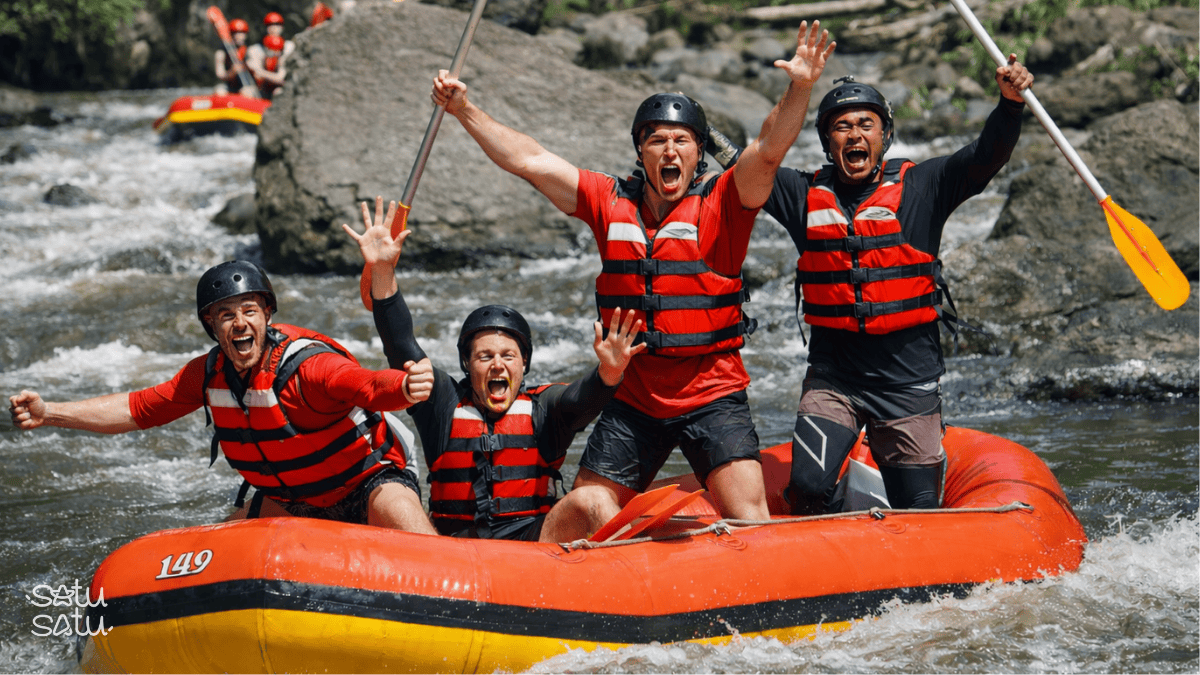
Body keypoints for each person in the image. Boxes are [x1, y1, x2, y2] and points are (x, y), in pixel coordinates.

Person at [431, 21, 836, 524]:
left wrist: (801, 85)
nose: (671, 151)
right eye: (658, 141)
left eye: (683, 141)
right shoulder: (607, 200)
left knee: (750, 515)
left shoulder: (727, 202)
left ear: (698, 153)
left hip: (713, 394)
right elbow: (530, 161)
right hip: (635, 397)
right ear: (640, 153)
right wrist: (463, 109)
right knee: (586, 509)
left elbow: (770, 147)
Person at [705, 56, 1036, 513]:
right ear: (827, 142)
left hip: (908, 380)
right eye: (841, 127)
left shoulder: (926, 185)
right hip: (834, 378)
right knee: (807, 485)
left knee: (918, 509)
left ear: (884, 136)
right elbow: (751, 165)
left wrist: (1011, 103)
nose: (855, 134)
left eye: (866, 124)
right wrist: (699, 131)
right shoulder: (802, 194)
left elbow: (986, 156)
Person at [8, 261, 437, 533]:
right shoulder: (207, 373)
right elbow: (139, 408)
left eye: (249, 311)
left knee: (412, 530)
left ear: (267, 315)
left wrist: (402, 387)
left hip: (368, 483)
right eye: (226, 315)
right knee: (226, 537)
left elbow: (362, 384)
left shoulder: (306, 367)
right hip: (292, 501)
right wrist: (51, 413)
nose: (239, 323)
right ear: (211, 326)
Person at [344, 197, 646, 542]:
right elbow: (401, 346)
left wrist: (610, 372)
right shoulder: (441, 403)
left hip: (535, 545)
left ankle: (627, 582)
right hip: (452, 552)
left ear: (524, 364)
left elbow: (585, 398)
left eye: (508, 356)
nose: (498, 364)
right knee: (394, 499)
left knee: (593, 498)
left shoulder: (546, 409)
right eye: (485, 357)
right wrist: (382, 271)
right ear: (467, 365)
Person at [246, 12, 295, 99]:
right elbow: (256, 74)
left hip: (280, 87)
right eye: (270, 25)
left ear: (282, 28)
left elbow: (280, 77)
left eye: (277, 25)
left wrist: (261, 72)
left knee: (278, 92)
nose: (273, 28)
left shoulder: (288, 47)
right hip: (262, 88)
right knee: (247, 91)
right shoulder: (255, 49)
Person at [213, 18, 250, 95]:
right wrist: (231, 73)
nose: (239, 36)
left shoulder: (250, 50)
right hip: (229, 85)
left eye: (242, 33)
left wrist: (246, 67)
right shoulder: (221, 52)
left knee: (246, 92)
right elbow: (220, 74)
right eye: (235, 33)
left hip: (246, 85)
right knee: (219, 91)